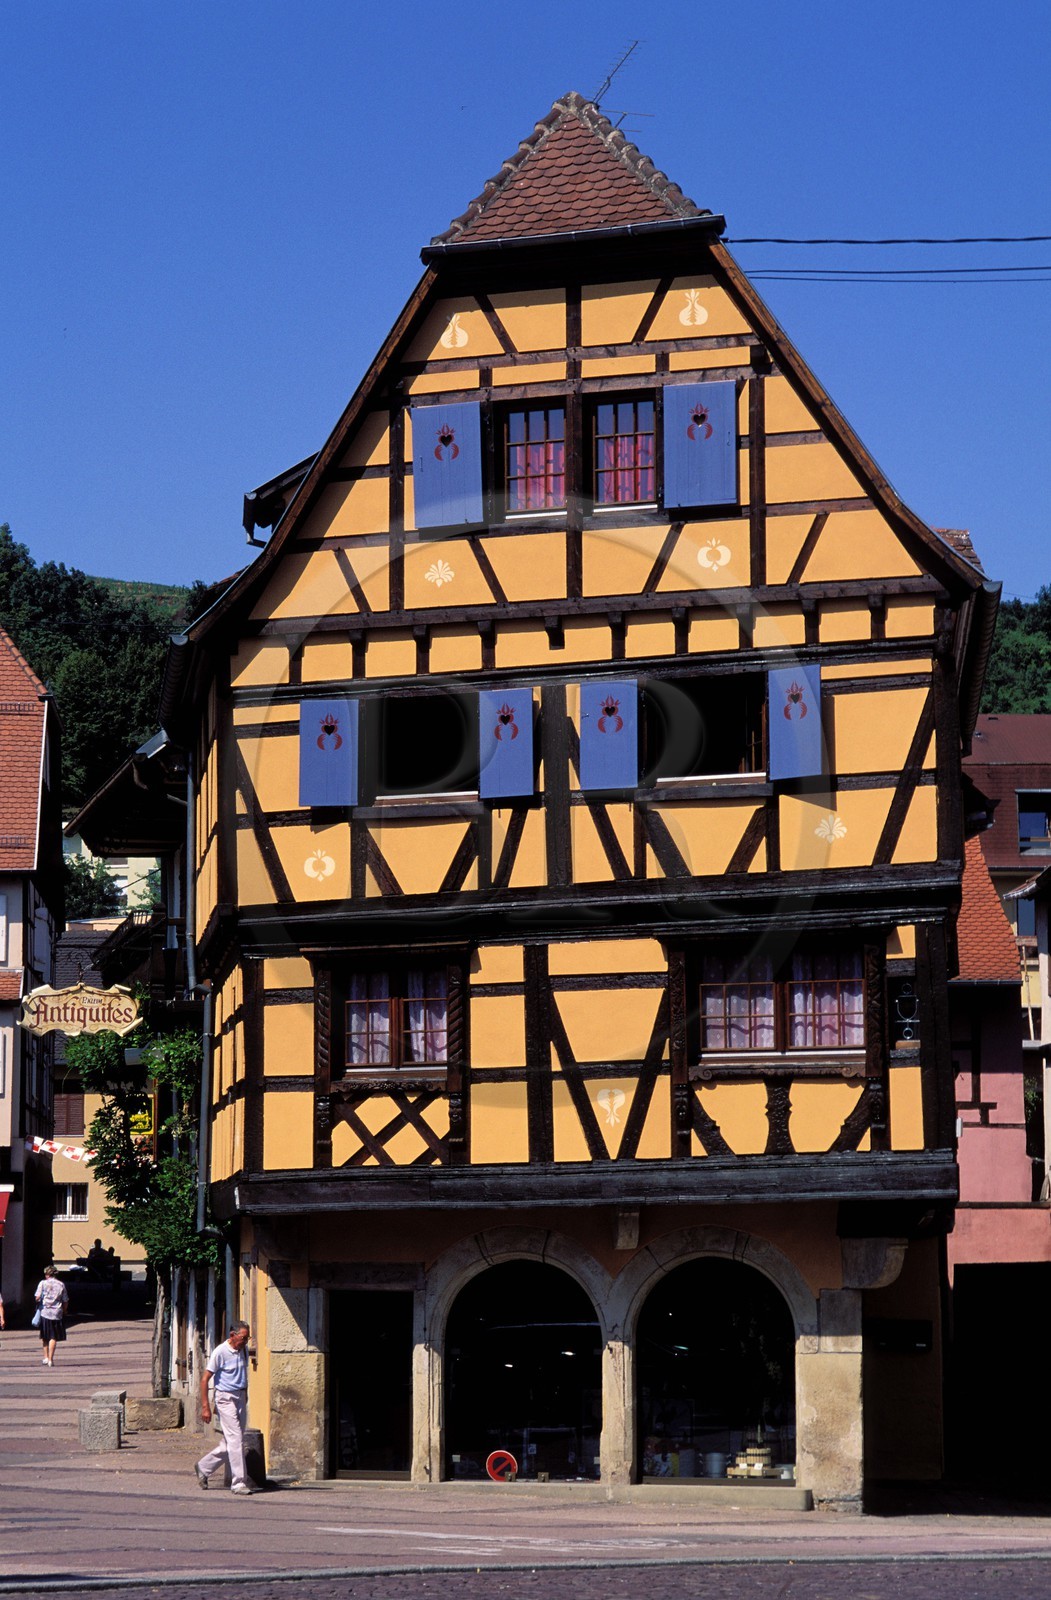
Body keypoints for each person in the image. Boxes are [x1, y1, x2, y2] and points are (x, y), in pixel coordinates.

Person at [195, 1320, 255, 1494]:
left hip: (240, 1396)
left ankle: (203, 1467)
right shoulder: (220, 1352)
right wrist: (205, 1406)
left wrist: (246, 1395)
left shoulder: (242, 1349)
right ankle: (238, 1483)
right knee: (236, 1439)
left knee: (230, 1442)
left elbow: (242, 1374)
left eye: (247, 1338)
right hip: (225, 1398)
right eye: (243, 1338)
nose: (245, 1342)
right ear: (232, 1335)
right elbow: (205, 1379)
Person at [34, 1266, 68, 1367]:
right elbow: (65, 1300)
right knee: (53, 1336)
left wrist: (40, 1299)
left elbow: (37, 1297)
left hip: (45, 1312)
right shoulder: (61, 1284)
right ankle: (50, 1359)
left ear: (48, 1274)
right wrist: (64, 1311)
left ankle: (45, 1357)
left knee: (45, 1335)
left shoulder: (42, 1283)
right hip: (57, 1313)